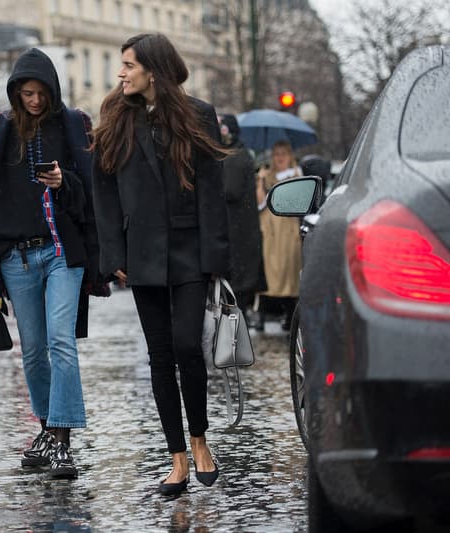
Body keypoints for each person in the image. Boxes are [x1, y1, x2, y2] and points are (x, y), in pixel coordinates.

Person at [0, 48, 105, 479]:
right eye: (26, 93)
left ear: (52, 92)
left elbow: (91, 193)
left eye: (40, 93)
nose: (34, 101)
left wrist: (64, 182)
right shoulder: (0, 130)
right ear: (15, 93)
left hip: (61, 253)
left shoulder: (72, 126)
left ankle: (61, 440)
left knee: (61, 342)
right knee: (34, 352)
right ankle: (46, 428)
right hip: (16, 257)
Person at [91, 33, 229, 496]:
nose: (121, 73)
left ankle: (200, 439)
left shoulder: (199, 115)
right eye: (121, 64)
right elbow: (104, 193)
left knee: (189, 346)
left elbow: (212, 189)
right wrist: (114, 257)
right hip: (142, 253)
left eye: (129, 65)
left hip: (189, 249)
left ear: (154, 69)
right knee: (159, 355)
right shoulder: (115, 117)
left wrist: (215, 258)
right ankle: (176, 457)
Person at [218, 114, 266, 319]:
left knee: (237, 290)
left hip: (237, 232)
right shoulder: (240, 153)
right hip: (240, 232)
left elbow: (230, 190)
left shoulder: (235, 156)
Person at [255, 139, 303, 331]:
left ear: (289, 156)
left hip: (288, 231)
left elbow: (296, 203)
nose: (280, 158)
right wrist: (260, 180)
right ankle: (262, 315)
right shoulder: (267, 176)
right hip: (270, 233)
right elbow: (259, 203)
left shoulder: (296, 175)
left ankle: (290, 315)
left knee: (289, 273)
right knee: (267, 273)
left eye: (283, 154)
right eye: (276, 154)